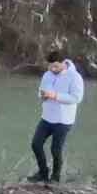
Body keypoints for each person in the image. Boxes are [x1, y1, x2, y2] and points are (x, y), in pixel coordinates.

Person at [29, 50, 85, 183]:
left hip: (64, 120)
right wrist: (42, 95)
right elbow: (41, 91)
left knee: (55, 149)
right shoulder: (47, 75)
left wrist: (55, 96)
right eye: (50, 66)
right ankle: (43, 173)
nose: (52, 69)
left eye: (55, 66)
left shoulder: (75, 77)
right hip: (47, 117)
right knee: (36, 144)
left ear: (63, 63)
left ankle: (55, 178)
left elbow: (77, 98)